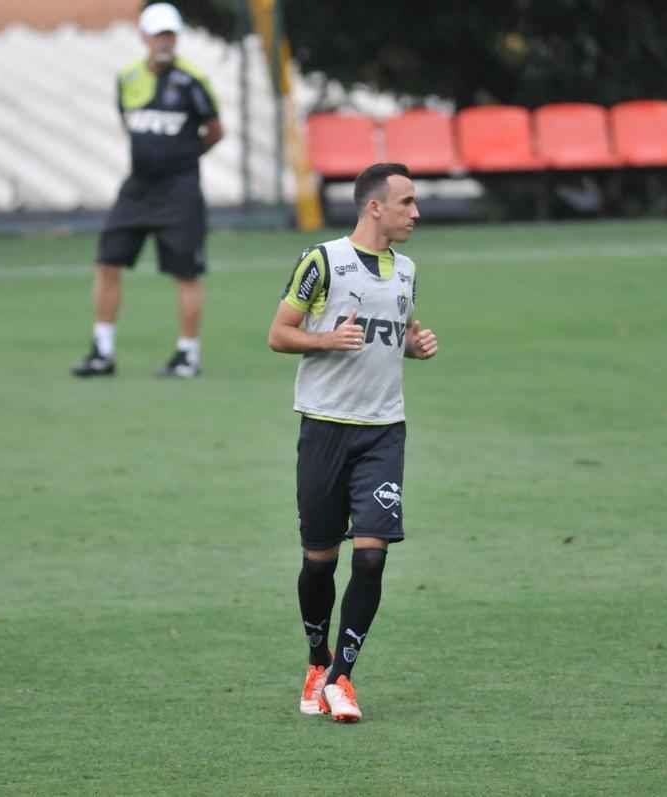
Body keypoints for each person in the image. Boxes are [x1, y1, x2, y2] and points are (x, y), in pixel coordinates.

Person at [267, 162, 439, 723]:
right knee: (320, 561)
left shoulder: (407, 270)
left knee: (370, 559)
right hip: (324, 429)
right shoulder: (323, 261)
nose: (416, 213)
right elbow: (279, 334)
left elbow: (396, 333)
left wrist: (415, 347)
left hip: (383, 431)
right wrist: (326, 339)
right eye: (406, 202)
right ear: (375, 207)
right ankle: (317, 661)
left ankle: (342, 677)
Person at [72, 2, 223, 379]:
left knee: (186, 271)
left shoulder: (193, 82)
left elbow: (215, 129)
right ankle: (102, 351)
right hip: (138, 187)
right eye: (158, 34)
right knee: (108, 261)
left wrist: (185, 156)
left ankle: (188, 355)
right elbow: (129, 122)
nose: (165, 42)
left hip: (181, 189)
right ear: (144, 37)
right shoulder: (127, 79)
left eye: (170, 34)